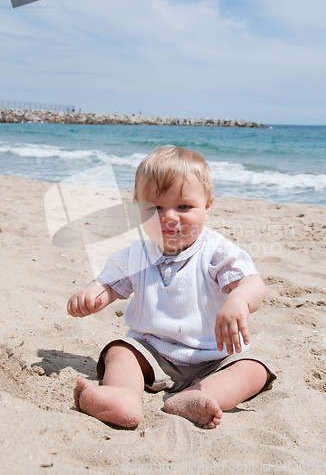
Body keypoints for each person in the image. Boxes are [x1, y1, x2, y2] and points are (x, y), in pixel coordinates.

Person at [67, 145, 275, 429]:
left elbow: (253, 283)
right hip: (152, 352)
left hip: (213, 357)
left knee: (254, 370)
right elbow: (109, 285)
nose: (169, 217)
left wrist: (239, 300)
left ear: (208, 207)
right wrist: (93, 294)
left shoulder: (216, 252)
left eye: (184, 207)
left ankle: (193, 397)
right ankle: (124, 397)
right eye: (155, 207)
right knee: (120, 351)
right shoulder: (134, 255)